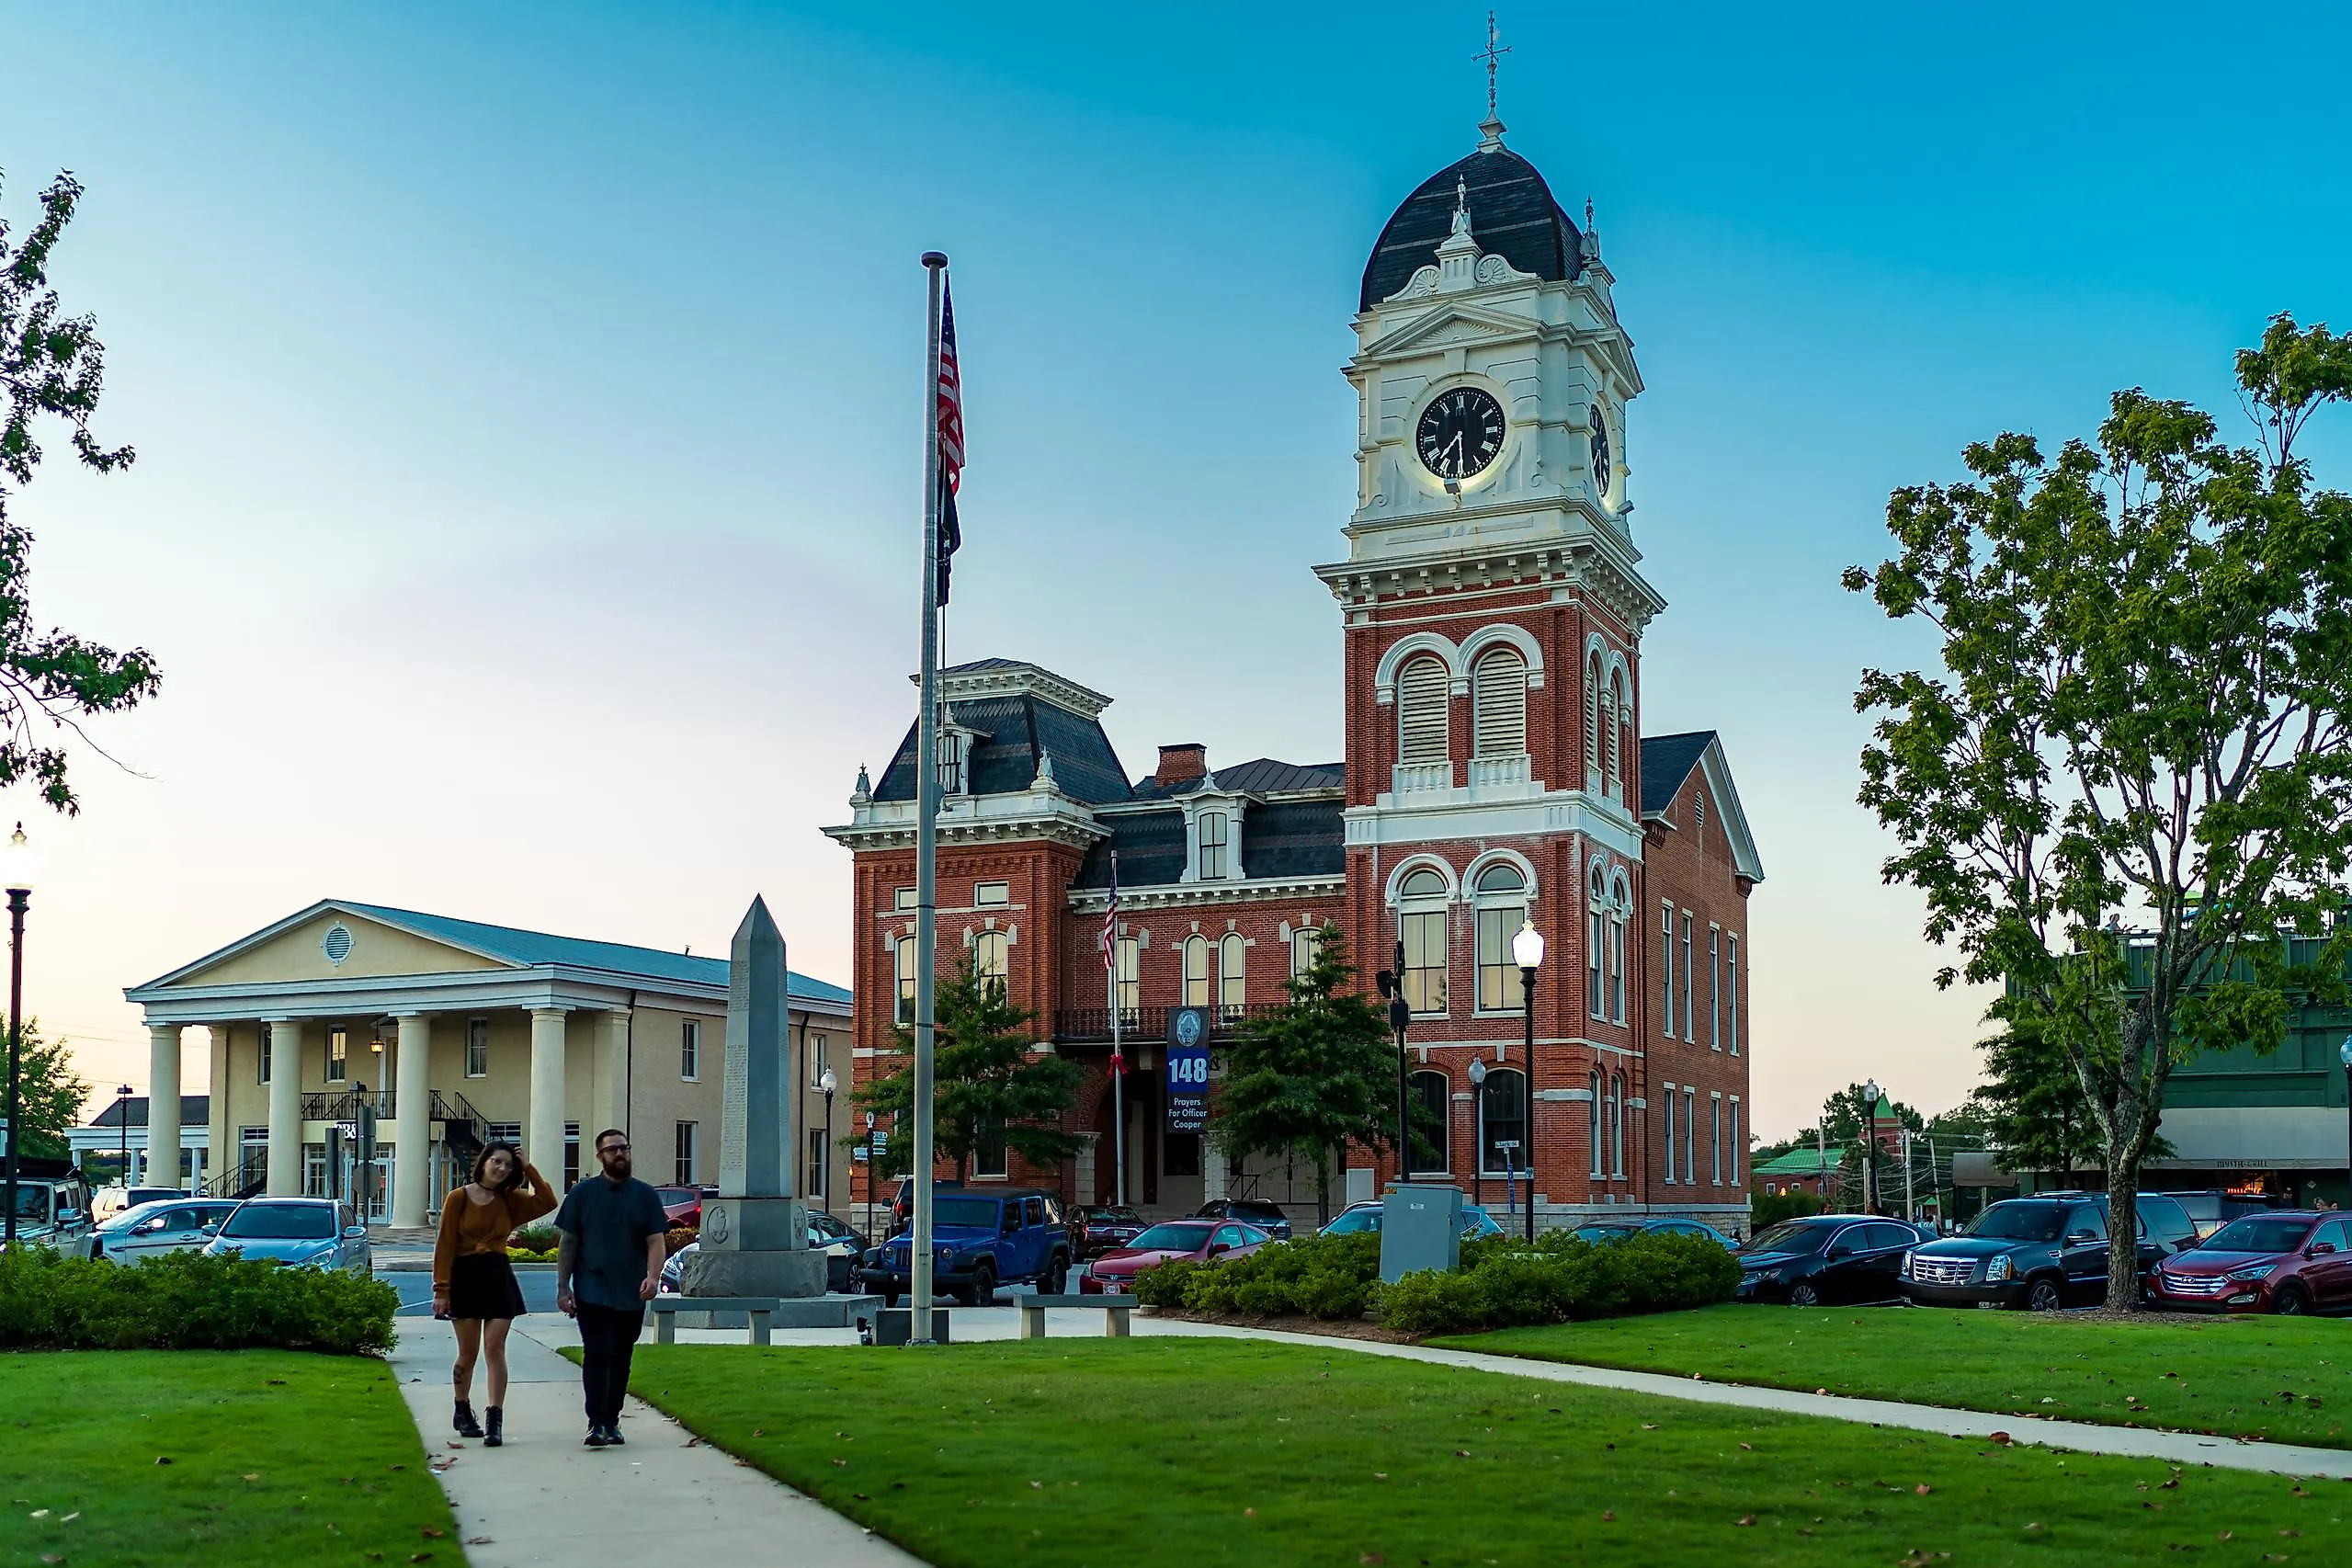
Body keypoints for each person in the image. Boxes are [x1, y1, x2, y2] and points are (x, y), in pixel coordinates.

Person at [431, 1141, 557, 1449]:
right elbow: (445, 1244)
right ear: (484, 1162)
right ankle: (462, 1408)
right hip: (464, 1277)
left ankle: (494, 1418)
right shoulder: (458, 1198)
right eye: (496, 1162)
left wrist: (528, 1168)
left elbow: (548, 1201)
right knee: (468, 1352)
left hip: (498, 1276)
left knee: (495, 1348)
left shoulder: (510, 1200)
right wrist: (441, 1290)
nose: (501, 1169)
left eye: (508, 1165)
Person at [554, 1128, 668, 1448]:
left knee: (621, 1357)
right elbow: (569, 1242)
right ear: (600, 1156)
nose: (620, 1154)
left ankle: (613, 1419)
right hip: (592, 1289)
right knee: (597, 1354)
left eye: (624, 1148)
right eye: (612, 1149)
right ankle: (597, 1422)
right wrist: (564, 1288)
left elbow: (655, 1240)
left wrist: (653, 1276)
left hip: (631, 1292)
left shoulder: (645, 1195)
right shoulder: (582, 1194)